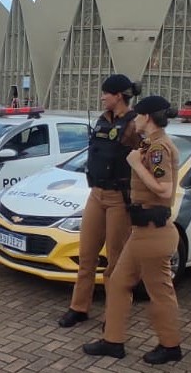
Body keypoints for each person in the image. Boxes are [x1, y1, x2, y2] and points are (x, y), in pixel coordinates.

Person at [83, 95, 182, 365]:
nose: (134, 119)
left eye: (138, 115)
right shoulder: (150, 144)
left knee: (158, 291)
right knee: (118, 282)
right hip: (143, 231)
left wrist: (136, 165)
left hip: (152, 232)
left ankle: (170, 345)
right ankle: (113, 341)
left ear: (147, 117)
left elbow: (164, 189)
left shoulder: (158, 148)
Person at [58, 74, 141, 328]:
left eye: (106, 93)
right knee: (87, 255)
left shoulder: (134, 125)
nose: (102, 96)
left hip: (119, 198)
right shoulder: (102, 121)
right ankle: (79, 307)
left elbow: (143, 163)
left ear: (118, 96)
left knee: (116, 261)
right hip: (96, 194)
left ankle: (113, 316)